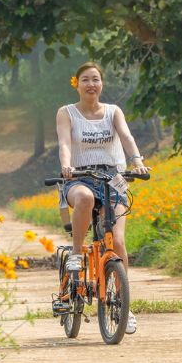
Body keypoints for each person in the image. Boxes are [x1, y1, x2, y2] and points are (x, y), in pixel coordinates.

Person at [56, 61, 149, 334]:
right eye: (85, 79)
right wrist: (66, 166)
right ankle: (75, 255)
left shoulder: (113, 112)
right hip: (79, 177)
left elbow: (127, 137)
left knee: (117, 241)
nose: (91, 84)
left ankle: (123, 303)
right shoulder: (67, 113)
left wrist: (137, 161)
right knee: (84, 198)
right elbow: (64, 142)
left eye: (95, 79)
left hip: (112, 179)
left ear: (102, 84)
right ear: (77, 84)